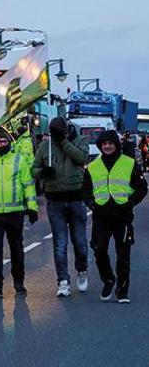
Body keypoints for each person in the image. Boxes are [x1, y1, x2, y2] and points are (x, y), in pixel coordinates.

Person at [83, 130, 147, 303]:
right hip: (101, 217)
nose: (107, 146)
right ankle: (108, 279)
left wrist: (130, 202)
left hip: (123, 217)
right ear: (100, 146)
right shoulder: (93, 166)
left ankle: (122, 290)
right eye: (104, 144)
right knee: (99, 250)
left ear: (116, 145)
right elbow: (85, 189)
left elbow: (142, 187)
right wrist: (91, 204)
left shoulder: (129, 163)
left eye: (110, 143)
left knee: (123, 255)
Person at [32, 116, 90, 297]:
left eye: (57, 132)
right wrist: (42, 172)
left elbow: (81, 158)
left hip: (75, 199)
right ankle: (63, 281)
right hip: (55, 200)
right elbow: (33, 168)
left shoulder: (81, 141)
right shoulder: (45, 146)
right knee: (60, 244)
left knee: (80, 242)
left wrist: (64, 142)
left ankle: (82, 270)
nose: (54, 136)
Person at [0, 129, 38, 298]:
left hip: (15, 213)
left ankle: (19, 282)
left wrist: (32, 207)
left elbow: (28, 185)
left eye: (4, 142)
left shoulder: (19, 161)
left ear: (9, 143)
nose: (2, 145)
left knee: (16, 250)